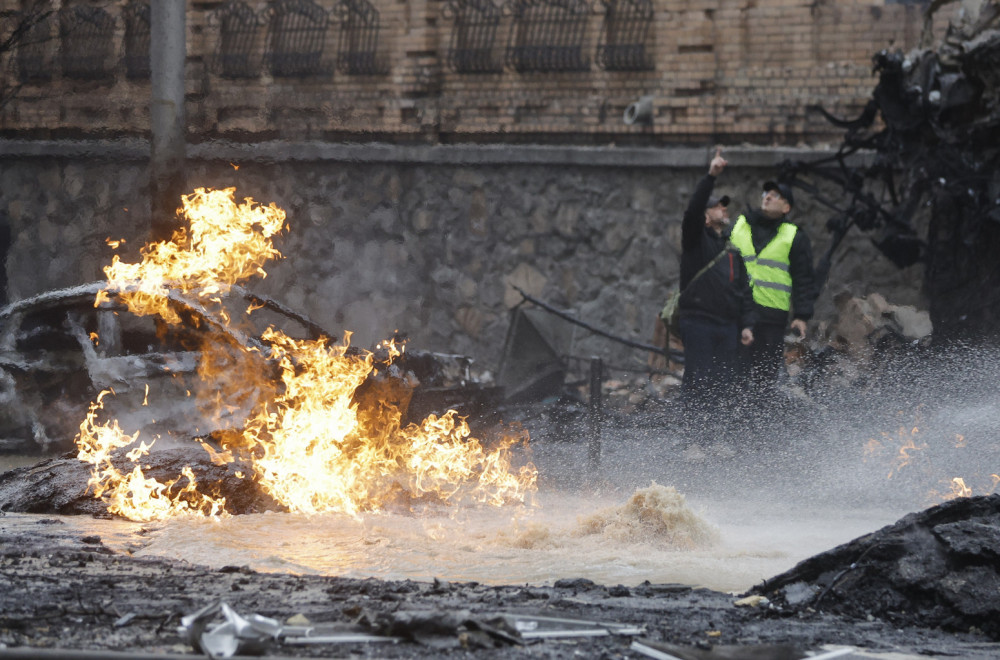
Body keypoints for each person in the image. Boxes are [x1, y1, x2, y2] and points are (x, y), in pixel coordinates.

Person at [676, 147, 756, 409]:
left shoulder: (731, 250)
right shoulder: (695, 241)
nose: (723, 208)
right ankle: (694, 443)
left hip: (727, 327)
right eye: (717, 206)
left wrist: (746, 324)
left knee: (723, 387)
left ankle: (716, 441)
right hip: (698, 323)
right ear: (706, 217)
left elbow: (743, 290)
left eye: (724, 205)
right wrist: (711, 176)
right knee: (698, 384)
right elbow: (692, 210)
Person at [728, 176, 817, 397]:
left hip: (771, 318)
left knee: (763, 380)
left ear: (786, 207)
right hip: (736, 313)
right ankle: (730, 426)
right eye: (766, 193)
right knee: (732, 376)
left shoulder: (793, 236)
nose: (767, 197)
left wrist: (802, 315)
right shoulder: (740, 225)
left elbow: (803, 277)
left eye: (776, 195)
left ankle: (760, 427)